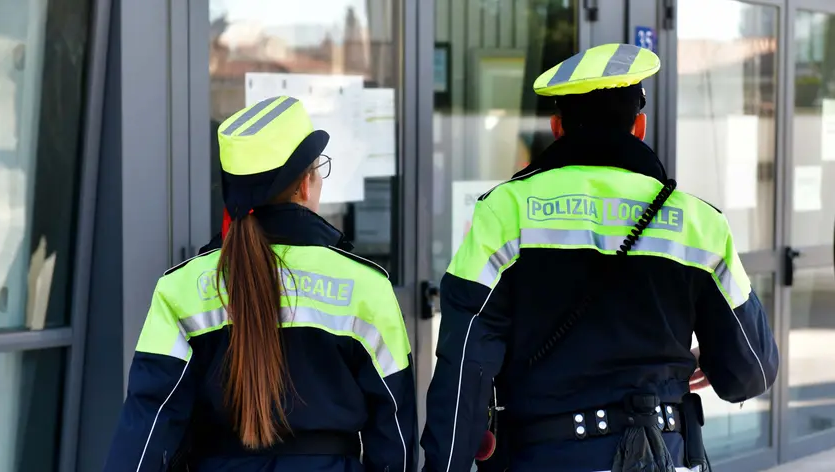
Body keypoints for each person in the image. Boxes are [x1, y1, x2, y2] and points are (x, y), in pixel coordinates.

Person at [420, 43, 779, 472]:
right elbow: (752, 372)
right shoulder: (698, 221)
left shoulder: (505, 211)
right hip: (667, 453)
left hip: (546, 457)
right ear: (639, 126)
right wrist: (712, 359)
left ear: (557, 127)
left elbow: (465, 366)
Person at [104, 96, 417, 472]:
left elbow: (146, 429)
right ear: (305, 183)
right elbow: (394, 431)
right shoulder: (366, 286)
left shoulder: (180, 289)